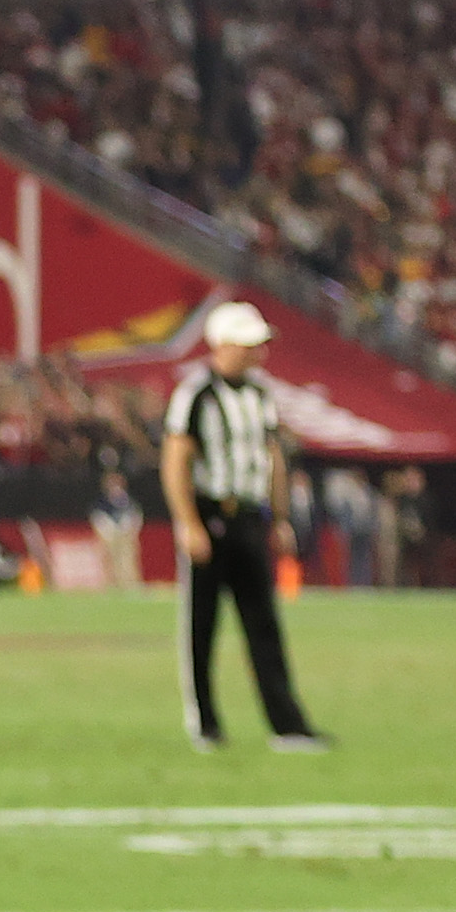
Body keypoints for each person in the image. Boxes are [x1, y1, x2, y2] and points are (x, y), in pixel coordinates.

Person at [159, 302, 324, 751]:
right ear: (223, 344)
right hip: (211, 514)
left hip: (250, 517)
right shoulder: (196, 394)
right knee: (202, 625)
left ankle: (287, 725)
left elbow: (272, 457)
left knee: (264, 625)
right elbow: (176, 459)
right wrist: (188, 522)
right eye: (249, 344)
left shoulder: (259, 395)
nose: (258, 353)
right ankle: (206, 723)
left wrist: (280, 515)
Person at [91, 465, 145, 592]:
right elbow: (97, 516)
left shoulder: (128, 500)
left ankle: (131, 584)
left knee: (128, 558)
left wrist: (129, 528)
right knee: (108, 558)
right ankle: (111, 584)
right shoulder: (102, 501)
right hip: (109, 535)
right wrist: (107, 529)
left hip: (125, 534)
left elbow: (135, 514)